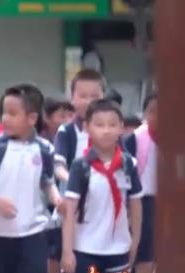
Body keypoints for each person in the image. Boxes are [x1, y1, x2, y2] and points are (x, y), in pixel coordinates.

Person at [0, 84, 62, 273]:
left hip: (33, 233)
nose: (5, 118)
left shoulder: (45, 149)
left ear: (32, 118)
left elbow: (48, 182)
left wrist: (57, 199)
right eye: (4, 113)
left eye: (12, 113)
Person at [61, 99, 143, 273]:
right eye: (99, 125)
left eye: (112, 124)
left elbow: (136, 205)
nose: (106, 130)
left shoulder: (129, 164)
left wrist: (135, 241)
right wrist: (67, 251)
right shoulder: (80, 166)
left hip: (119, 249)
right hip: (85, 248)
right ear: (87, 127)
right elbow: (69, 211)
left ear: (121, 127)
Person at [50, 69, 106, 272]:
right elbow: (58, 166)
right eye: (82, 96)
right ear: (72, 98)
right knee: (68, 258)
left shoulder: (109, 131)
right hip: (72, 207)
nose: (89, 101)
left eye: (95, 96)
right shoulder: (67, 131)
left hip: (102, 207)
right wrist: (75, 181)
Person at [121, 92, 157, 273]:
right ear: (145, 114)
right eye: (154, 111)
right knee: (144, 253)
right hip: (143, 201)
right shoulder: (135, 139)